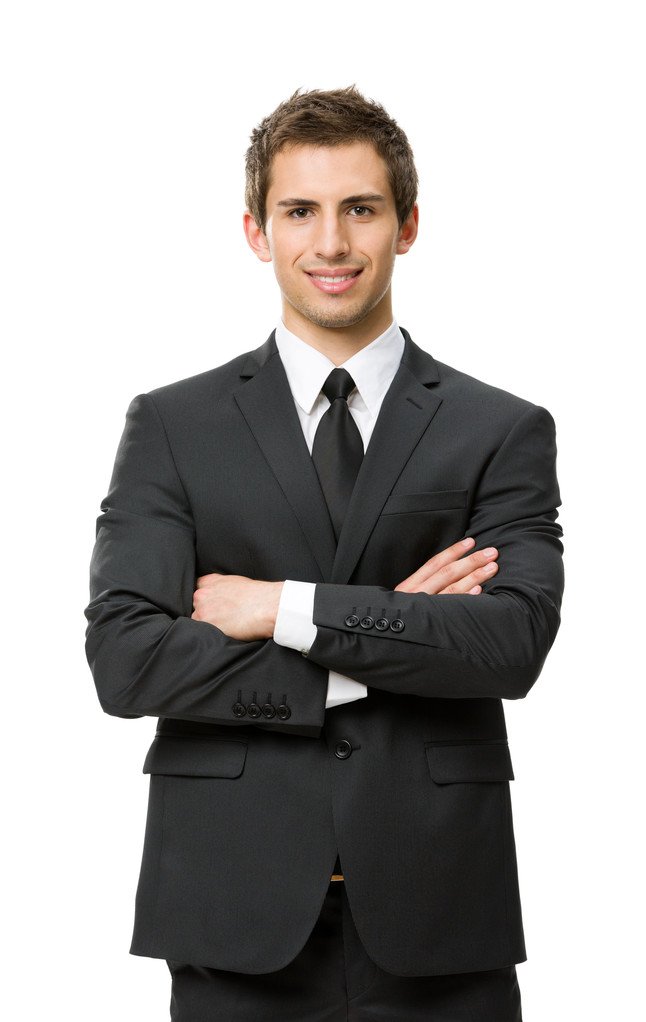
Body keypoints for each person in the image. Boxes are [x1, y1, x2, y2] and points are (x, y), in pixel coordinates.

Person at [84, 85, 564, 1021]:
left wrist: (284, 608)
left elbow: (512, 648)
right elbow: (125, 663)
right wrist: (398, 630)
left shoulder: (499, 430)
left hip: (440, 916)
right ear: (258, 231)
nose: (332, 244)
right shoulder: (173, 426)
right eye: (300, 211)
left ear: (408, 223)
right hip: (235, 915)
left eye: (361, 209)